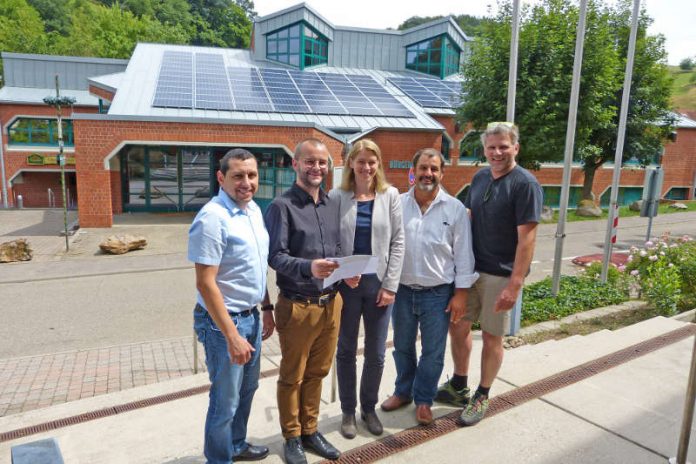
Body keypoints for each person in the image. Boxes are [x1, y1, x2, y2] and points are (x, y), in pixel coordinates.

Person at [436, 122, 543, 426]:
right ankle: (459, 384)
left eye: (503, 146)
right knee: (457, 326)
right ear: (484, 149)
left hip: (501, 275)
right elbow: (468, 216)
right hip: (470, 270)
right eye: (491, 147)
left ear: (515, 148)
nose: (497, 152)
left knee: (492, 337)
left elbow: (528, 239)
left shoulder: (525, 184)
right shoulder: (481, 176)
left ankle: (482, 394)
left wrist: (515, 284)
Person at [264, 138, 358, 464]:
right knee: (293, 376)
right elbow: (275, 257)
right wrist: (308, 267)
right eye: (310, 161)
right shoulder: (281, 206)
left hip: (332, 303)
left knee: (318, 372)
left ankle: (310, 430)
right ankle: (291, 437)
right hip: (298, 306)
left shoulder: (332, 204)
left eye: (322, 162)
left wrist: (346, 271)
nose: (316, 168)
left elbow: (334, 251)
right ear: (295, 164)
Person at [188, 148, 275, 464]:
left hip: (251, 316)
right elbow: (205, 283)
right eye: (238, 175)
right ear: (221, 177)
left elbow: (256, 266)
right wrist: (232, 336)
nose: (247, 182)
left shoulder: (253, 210)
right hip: (224, 323)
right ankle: (219, 458)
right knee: (225, 400)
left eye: (251, 175)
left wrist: (266, 308)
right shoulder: (213, 218)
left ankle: (236, 444)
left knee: (247, 389)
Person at [380, 148, 478, 426]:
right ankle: (403, 391)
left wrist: (461, 294)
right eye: (423, 168)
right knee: (402, 346)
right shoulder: (397, 204)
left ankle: (423, 400)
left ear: (441, 173)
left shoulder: (455, 209)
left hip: (439, 294)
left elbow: (463, 255)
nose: (428, 174)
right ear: (414, 172)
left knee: (433, 352)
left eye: (434, 169)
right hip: (402, 291)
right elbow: (386, 246)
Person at [330, 139, 405, 439]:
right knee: (346, 350)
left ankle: (368, 408)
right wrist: (341, 273)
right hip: (347, 287)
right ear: (351, 163)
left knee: (375, 353)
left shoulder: (390, 196)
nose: (366, 167)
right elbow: (330, 241)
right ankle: (348, 411)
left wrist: (391, 285)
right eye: (360, 161)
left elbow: (398, 242)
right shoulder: (337, 197)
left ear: (379, 164)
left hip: (379, 287)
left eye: (372, 162)